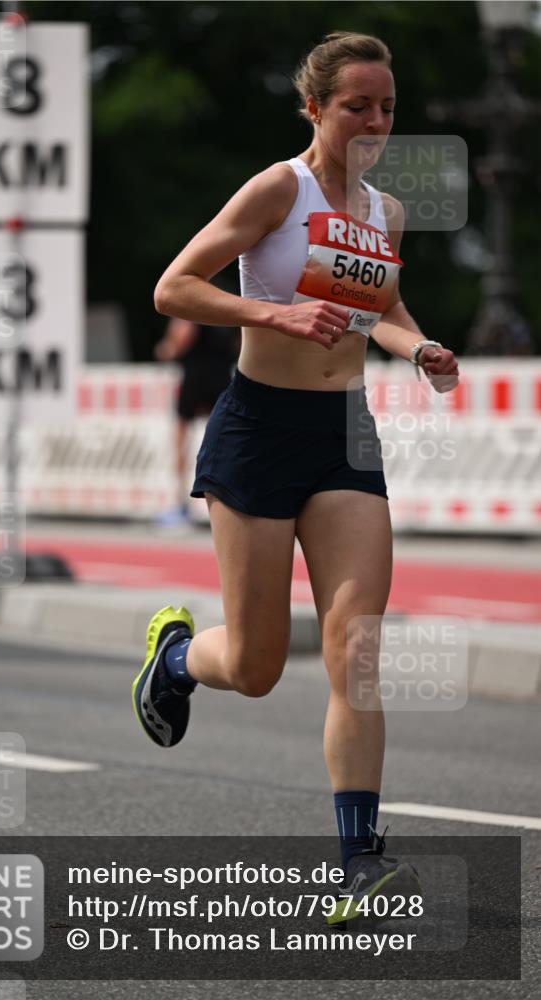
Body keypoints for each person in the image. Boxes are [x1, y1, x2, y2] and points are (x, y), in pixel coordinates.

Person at [131, 31, 459, 922]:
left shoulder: (384, 214)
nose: (374, 122)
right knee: (259, 662)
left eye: (385, 107)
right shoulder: (281, 188)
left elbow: (381, 306)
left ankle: (360, 859)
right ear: (314, 108)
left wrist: (417, 345)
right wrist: (273, 311)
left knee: (356, 649)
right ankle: (175, 658)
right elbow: (174, 287)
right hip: (257, 430)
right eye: (357, 105)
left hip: (345, 435)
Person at [153, 316, 239, 525]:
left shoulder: (189, 308)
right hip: (222, 378)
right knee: (226, 439)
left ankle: (180, 503)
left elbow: (183, 336)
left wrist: (167, 348)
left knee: (181, 439)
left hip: (196, 377)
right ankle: (231, 499)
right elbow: (240, 343)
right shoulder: (225, 309)